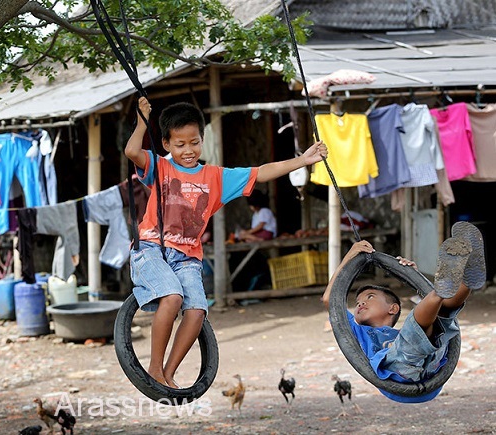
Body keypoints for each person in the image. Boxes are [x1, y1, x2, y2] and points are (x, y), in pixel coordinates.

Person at [125, 96, 328, 388]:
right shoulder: (161, 168)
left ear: (202, 140)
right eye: (180, 145)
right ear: (167, 145)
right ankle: (154, 368)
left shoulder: (215, 177)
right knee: (172, 296)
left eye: (194, 142)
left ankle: (169, 372)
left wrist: (303, 160)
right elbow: (132, 150)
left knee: (196, 311)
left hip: (187, 257)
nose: (188, 150)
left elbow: (261, 172)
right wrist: (143, 120)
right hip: (151, 249)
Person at [322, 221, 485, 403]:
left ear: (393, 309)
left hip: (433, 362)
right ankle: (440, 289)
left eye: (369, 297)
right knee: (418, 328)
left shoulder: (400, 333)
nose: (360, 304)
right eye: (357, 302)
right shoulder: (356, 331)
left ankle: (467, 279)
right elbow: (331, 299)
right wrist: (349, 257)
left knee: (442, 317)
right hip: (398, 368)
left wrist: (414, 276)